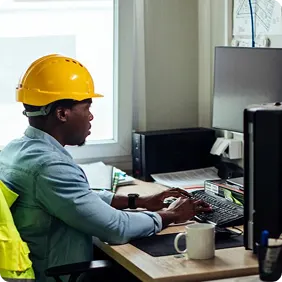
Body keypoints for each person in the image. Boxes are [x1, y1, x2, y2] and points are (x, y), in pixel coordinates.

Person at [0, 54, 211, 282]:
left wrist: (138, 202)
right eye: (86, 107)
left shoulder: (16, 150)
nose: (91, 116)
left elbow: (78, 198)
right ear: (62, 113)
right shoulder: (50, 166)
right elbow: (116, 228)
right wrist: (170, 215)